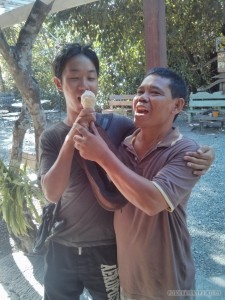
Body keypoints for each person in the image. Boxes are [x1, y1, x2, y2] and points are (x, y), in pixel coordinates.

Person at [39, 43, 214, 300]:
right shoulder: (52, 137)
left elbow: (159, 130)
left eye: (91, 77)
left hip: (107, 249)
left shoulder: (119, 126)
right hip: (62, 244)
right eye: (74, 77)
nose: (83, 85)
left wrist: (206, 154)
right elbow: (51, 194)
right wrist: (71, 139)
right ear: (58, 83)